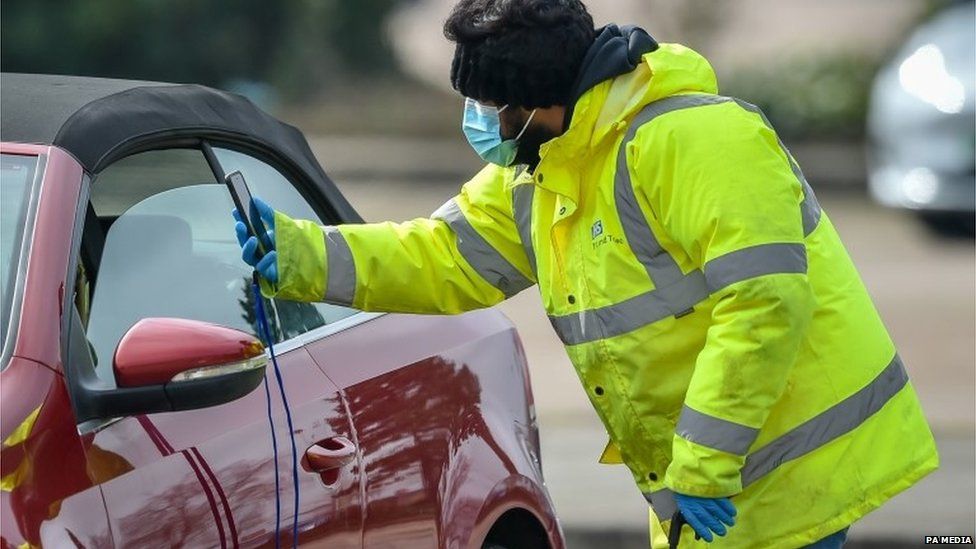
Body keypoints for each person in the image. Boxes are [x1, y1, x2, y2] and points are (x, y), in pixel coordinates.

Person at [232, 1, 939, 546]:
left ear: (537, 103)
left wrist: (701, 465)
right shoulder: (544, 169)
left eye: (486, 107)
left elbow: (763, 304)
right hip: (711, 476)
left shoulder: (697, 140)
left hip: (794, 463)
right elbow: (442, 254)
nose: (478, 122)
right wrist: (301, 254)